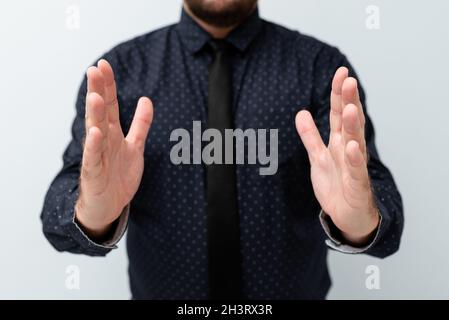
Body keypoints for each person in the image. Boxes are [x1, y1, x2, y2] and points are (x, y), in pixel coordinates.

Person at [41, 0, 404, 299]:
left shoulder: (321, 69)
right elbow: (56, 217)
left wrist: (357, 224)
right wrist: (94, 211)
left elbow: (385, 215)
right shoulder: (119, 73)